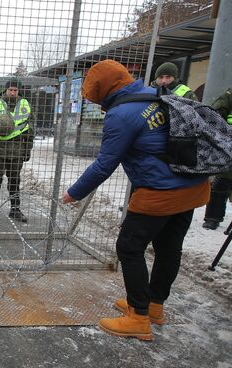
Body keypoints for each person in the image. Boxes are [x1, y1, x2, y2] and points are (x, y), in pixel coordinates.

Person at [62, 59, 210, 341]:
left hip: (161, 191)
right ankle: (155, 305)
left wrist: (74, 193)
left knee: (129, 247)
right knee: (169, 248)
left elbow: (105, 164)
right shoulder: (158, 95)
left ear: (105, 90)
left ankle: (137, 317)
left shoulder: (121, 115)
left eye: (96, 97)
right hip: (193, 186)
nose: (96, 103)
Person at [0, 79, 35, 222]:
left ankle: (15, 210)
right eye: (10, 90)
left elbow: (30, 130)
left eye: (15, 90)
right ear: (6, 90)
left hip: (16, 151)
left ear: (19, 91)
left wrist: (27, 149)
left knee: (14, 181)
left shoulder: (25, 106)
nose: (13, 92)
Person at [203, 87, 232, 230]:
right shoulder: (229, 94)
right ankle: (213, 218)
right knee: (222, 182)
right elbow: (217, 112)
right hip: (230, 144)